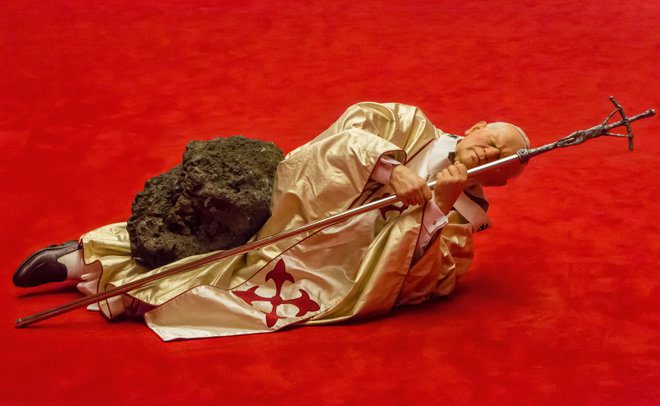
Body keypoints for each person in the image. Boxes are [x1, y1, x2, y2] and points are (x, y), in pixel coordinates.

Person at [13, 102, 529, 340]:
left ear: (500, 183)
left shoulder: (466, 221)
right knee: (215, 233)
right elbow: (345, 134)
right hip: (297, 207)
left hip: (328, 267)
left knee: (235, 288)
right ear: (476, 125)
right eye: (491, 142)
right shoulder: (407, 123)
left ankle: (112, 285)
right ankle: (83, 257)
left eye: (499, 161)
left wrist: (436, 207)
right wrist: (389, 169)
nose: (488, 153)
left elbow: (418, 285)